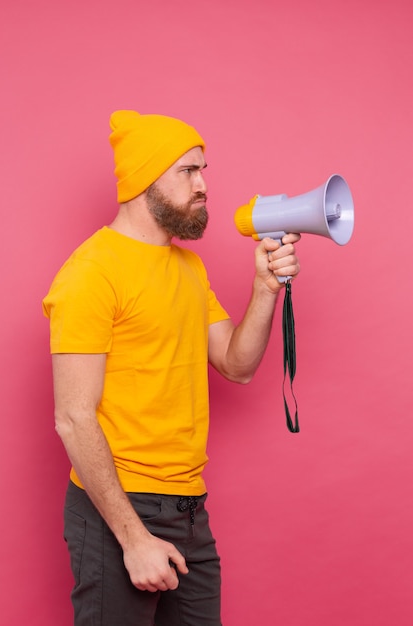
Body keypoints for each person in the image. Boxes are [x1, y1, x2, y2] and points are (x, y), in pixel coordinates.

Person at [42, 110, 300, 626]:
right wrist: (133, 539)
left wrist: (266, 290)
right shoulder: (92, 273)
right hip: (119, 508)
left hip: (188, 509)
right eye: (188, 171)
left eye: (203, 170)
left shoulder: (187, 266)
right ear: (143, 178)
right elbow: (73, 417)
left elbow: (237, 364)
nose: (203, 185)